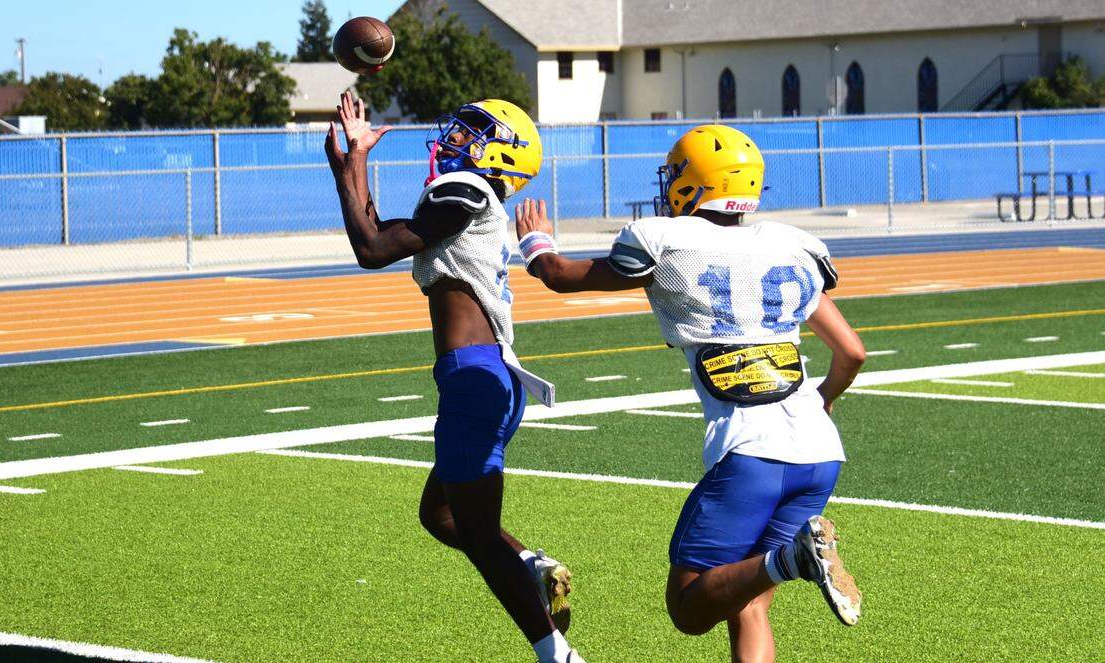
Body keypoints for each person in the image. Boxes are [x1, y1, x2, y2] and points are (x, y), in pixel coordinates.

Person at [515, 124, 865, 662]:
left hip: (750, 450)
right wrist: (823, 402)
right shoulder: (791, 246)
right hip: (821, 451)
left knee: (688, 607)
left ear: (694, 181)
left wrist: (535, 241)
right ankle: (796, 557)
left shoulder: (668, 241)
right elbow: (852, 354)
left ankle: (795, 559)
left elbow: (561, 276)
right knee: (747, 604)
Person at [324, 91, 582, 663]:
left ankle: (557, 656)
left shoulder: (463, 190)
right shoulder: (465, 197)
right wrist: (358, 161)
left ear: (501, 154)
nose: (457, 135)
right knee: (440, 515)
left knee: (481, 537)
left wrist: (347, 171)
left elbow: (371, 247)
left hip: (475, 379)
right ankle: (534, 566)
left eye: (474, 129)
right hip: (488, 377)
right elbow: (384, 231)